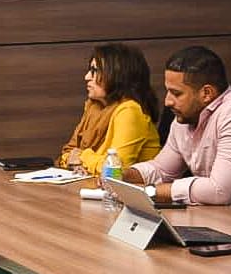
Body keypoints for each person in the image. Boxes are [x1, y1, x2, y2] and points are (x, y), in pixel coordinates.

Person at [121, 46, 231, 205]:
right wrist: (123, 177)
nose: (167, 102)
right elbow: (162, 170)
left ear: (207, 93)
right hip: (211, 214)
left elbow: (220, 191)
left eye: (176, 93)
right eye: (168, 91)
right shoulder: (186, 116)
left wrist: (150, 191)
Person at [57, 43, 160, 176]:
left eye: (94, 71)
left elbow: (115, 170)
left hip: (130, 188)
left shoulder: (130, 110)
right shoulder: (94, 107)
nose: (87, 77)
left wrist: (82, 156)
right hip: (97, 184)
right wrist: (75, 161)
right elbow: (68, 153)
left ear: (117, 74)